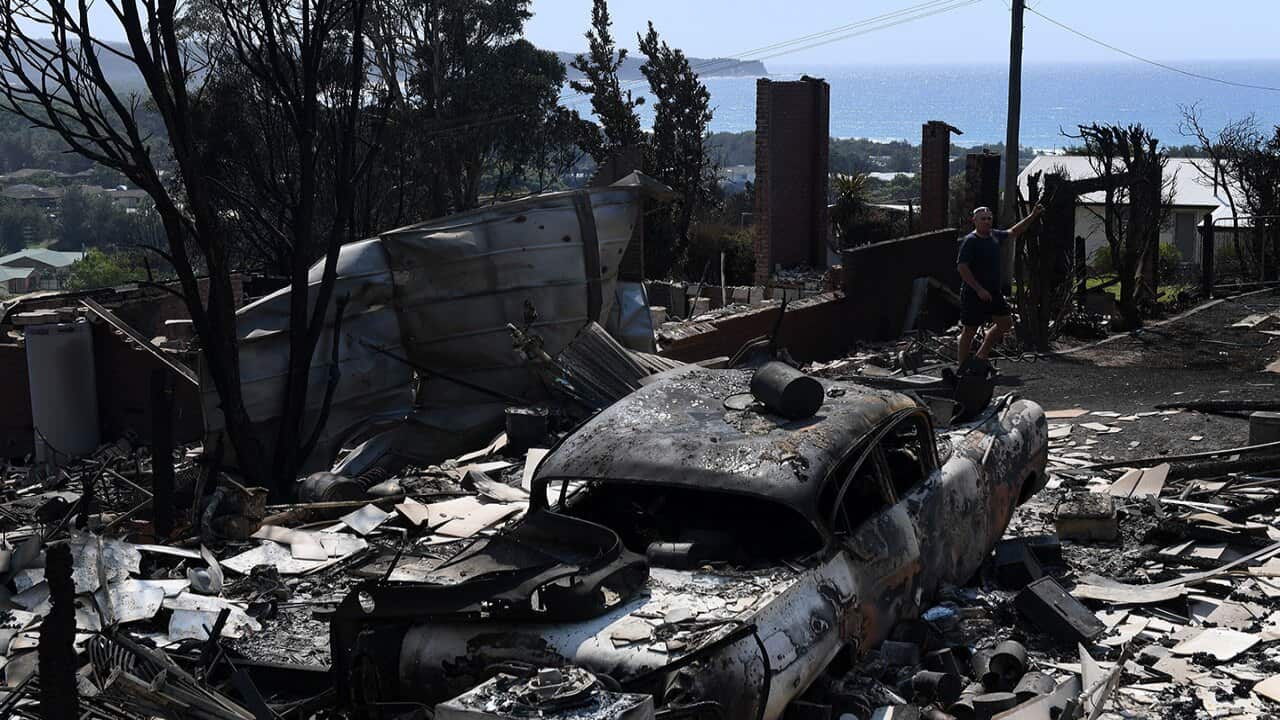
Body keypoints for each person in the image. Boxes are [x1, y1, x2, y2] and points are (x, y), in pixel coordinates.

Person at [956, 204, 1044, 365]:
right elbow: (962, 267)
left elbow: (1014, 231)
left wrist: (1032, 216)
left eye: (989, 218)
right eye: (983, 219)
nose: (987, 221)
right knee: (969, 330)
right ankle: (962, 367)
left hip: (994, 291)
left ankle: (981, 356)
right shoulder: (970, 241)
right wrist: (979, 289)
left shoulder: (995, 236)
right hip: (973, 293)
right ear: (974, 220)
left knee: (1005, 323)